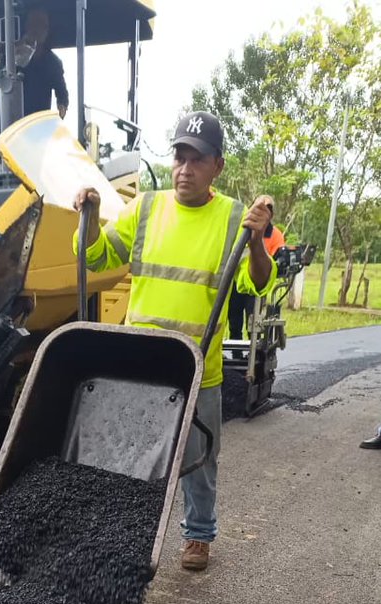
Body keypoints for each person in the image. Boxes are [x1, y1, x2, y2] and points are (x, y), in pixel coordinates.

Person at [74, 111, 276, 572]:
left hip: (199, 366)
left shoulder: (233, 218)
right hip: (142, 362)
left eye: (197, 160)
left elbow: (257, 283)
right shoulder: (145, 208)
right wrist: (88, 218)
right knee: (131, 452)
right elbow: (97, 256)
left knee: (200, 457)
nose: (185, 169)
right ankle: (128, 531)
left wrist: (256, 241)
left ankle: (198, 535)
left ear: (217, 166)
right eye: (179, 158)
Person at [0, 6, 69, 119]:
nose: (37, 30)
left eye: (43, 26)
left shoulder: (54, 63)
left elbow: (62, 94)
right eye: (34, 24)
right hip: (10, 121)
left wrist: (62, 108)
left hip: (37, 123)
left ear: (47, 31)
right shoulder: (10, 54)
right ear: (26, 26)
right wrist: (13, 59)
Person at [228, 196, 285, 340]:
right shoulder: (241, 228)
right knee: (234, 321)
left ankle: (254, 347)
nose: (262, 210)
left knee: (253, 322)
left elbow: (277, 258)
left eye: (268, 207)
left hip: (257, 287)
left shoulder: (276, 235)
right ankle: (236, 348)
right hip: (236, 282)